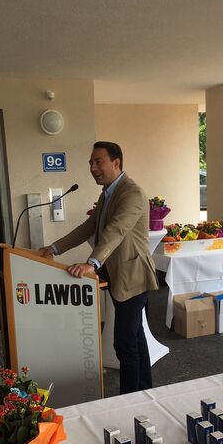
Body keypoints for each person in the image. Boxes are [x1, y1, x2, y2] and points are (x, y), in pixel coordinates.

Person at [38, 141, 158, 393]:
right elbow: (89, 227)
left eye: (98, 161)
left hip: (133, 276)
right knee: (135, 337)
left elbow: (117, 230)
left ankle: (129, 398)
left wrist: (92, 263)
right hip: (119, 275)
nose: (93, 167)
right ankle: (144, 390)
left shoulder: (132, 193)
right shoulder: (107, 193)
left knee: (125, 343)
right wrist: (55, 248)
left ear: (116, 163)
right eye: (91, 163)